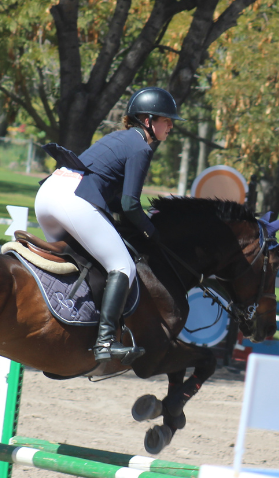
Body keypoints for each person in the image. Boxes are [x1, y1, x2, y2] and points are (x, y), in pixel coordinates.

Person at [34, 87, 182, 363]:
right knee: (122, 266)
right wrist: (151, 231)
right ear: (147, 120)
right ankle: (105, 342)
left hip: (48, 195)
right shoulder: (141, 146)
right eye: (167, 120)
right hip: (73, 200)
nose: (171, 126)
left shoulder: (119, 138)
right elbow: (129, 204)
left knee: (76, 260)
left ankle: (65, 323)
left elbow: (113, 199)